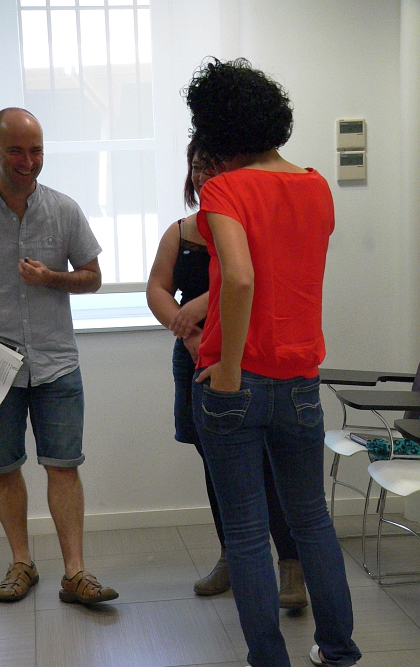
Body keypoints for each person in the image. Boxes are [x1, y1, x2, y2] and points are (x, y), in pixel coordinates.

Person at [184, 59, 362, 667]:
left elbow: (240, 277)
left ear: (218, 127)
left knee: (245, 531)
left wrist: (230, 367)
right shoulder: (316, 186)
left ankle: (269, 660)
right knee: (311, 521)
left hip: (235, 383)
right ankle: (338, 650)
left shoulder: (224, 190)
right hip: (301, 382)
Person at [0, 107, 118, 607]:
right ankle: (22, 562)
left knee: (64, 466)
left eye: (36, 150)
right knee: (3, 466)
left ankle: (75, 573)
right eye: (15, 150)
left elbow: (93, 277)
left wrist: (50, 278)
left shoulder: (64, 209)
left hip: (57, 362)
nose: (28, 161)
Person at [146, 139, 307, 607]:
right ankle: (233, 557)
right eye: (197, 166)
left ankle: (290, 565)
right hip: (194, 358)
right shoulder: (180, 232)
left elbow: (251, 281)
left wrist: (201, 306)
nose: (203, 175)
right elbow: (157, 289)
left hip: (247, 358)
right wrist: (186, 332)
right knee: (215, 463)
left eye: (213, 165)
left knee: (267, 465)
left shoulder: (250, 225)